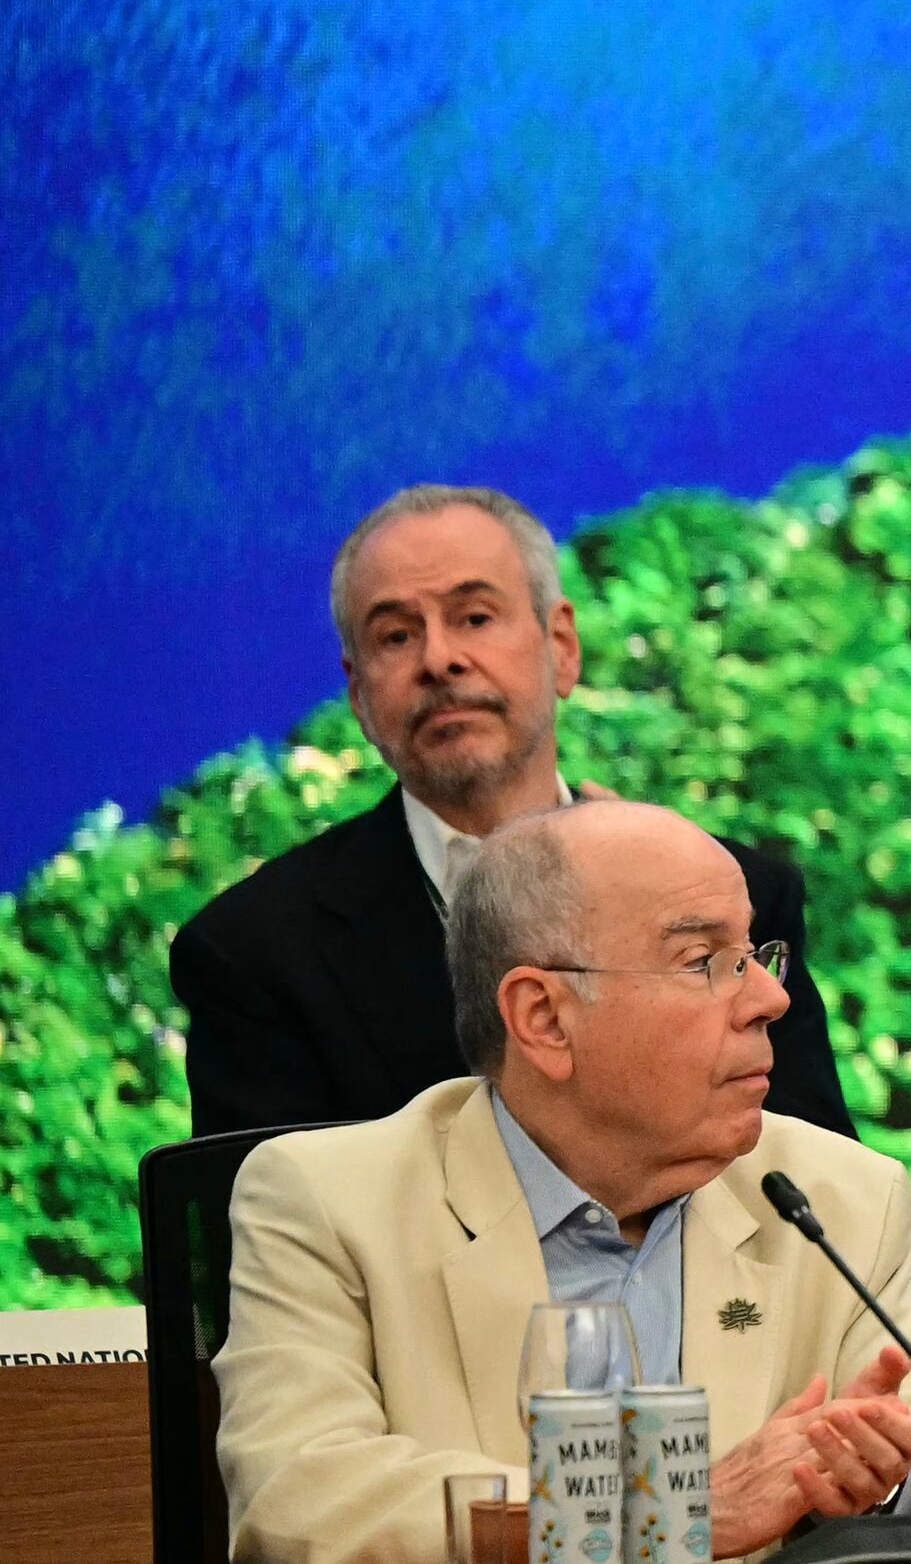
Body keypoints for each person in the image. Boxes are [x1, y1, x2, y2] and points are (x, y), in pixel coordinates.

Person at [216, 801, 911, 1564]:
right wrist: (667, 1513)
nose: (771, 998)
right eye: (706, 960)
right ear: (544, 1017)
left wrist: (873, 1486)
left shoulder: (835, 1196)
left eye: (756, 954)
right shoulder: (330, 1199)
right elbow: (300, 1496)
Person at [173, 486, 856, 1142]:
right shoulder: (254, 953)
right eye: (396, 636)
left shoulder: (742, 899)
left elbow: (822, 1205)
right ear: (357, 694)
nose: (439, 659)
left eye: (474, 617)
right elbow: (274, 1242)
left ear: (561, 645)